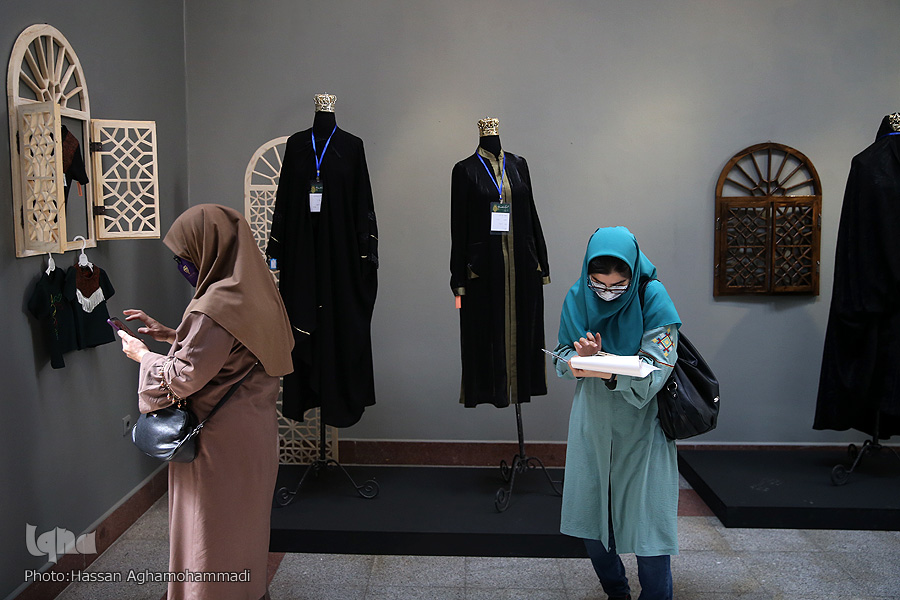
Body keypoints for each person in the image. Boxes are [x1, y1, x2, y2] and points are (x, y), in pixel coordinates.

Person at [117, 204, 294, 600]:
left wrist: (143, 356)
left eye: (185, 255)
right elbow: (234, 351)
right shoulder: (259, 292)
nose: (183, 265)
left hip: (216, 441)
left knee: (208, 533)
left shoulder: (213, 306)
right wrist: (173, 334)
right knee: (244, 529)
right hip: (255, 435)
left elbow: (182, 378)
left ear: (208, 249)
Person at [552, 226, 681, 600]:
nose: (607, 293)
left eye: (618, 286)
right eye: (599, 285)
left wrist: (607, 368)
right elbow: (560, 357)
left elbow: (657, 368)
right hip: (593, 421)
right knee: (591, 521)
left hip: (643, 424)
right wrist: (579, 360)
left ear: (633, 274)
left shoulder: (652, 296)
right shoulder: (578, 296)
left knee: (648, 528)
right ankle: (616, 592)